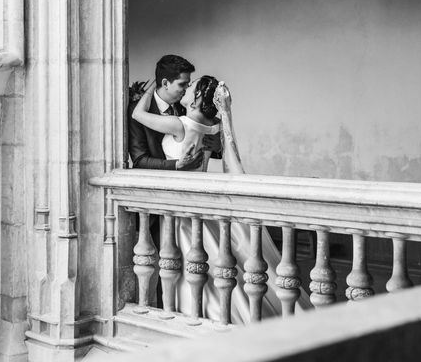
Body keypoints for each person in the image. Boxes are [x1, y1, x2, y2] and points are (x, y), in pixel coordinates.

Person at [133, 74, 310, 323]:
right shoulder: (213, 126)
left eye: (190, 86)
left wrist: (149, 90)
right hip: (202, 204)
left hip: (180, 206)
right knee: (216, 264)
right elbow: (225, 149)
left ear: (195, 98)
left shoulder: (180, 123)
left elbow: (138, 116)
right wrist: (226, 112)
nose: (186, 89)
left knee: (190, 266)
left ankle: (198, 315)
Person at [128, 54, 205, 171]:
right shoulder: (138, 111)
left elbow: (193, 143)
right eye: (182, 84)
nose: (187, 89)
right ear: (165, 83)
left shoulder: (186, 105)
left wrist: (215, 148)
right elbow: (139, 160)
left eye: (188, 84)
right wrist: (176, 165)